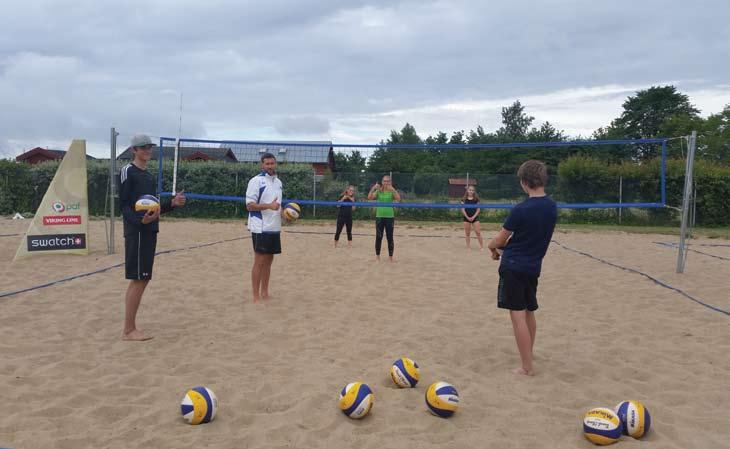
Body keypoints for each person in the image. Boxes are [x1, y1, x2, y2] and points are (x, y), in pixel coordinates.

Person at [487, 160, 557, 376]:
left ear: (524, 182)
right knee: (528, 312)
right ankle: (529, 354)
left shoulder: (520, 209)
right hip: (533, 266)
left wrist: (492, 247)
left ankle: (526, 367)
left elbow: (499, 239)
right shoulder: (551, 206)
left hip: (513, 266)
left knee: (517, 315)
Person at [119, 134, 186, 341]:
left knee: (144, 278)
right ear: (134, 150)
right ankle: (128, 330)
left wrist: (172, 204)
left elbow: (153, 208)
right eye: (143, 147)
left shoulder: (148, 175)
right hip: (137, 232)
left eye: (149, 147)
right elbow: (123, 206)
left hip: (149, 230)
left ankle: (130, 328)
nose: (147, 150)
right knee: (138, 279)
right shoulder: (127, 171)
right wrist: (140, 222)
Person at [245, 152, 284, 302]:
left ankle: (265, 293)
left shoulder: (278, 182)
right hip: (260, 227)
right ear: (262, 165)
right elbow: (249, 206)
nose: (269, 166)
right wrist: (269, 206)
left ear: (275, 164)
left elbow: (277, 205)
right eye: (267, 164)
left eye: (272, 163)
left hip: (274, 226)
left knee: (269, 261)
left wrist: (283, 214)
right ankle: (255, 296)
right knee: (259, 261)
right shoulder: (256, 181)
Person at [367, 175, 401, 262]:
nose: (386, 183)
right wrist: (373, 188)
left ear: (390, 182)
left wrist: (393, 189)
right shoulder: (379, 191)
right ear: (382, 182)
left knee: (390, 237)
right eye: (384, 181)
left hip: (390, 217)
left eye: (387, 181)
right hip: (379, 216)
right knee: (379, 237)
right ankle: (377, 257)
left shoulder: (391, 191)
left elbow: (398, 199)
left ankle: (390, 257)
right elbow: (369, 197)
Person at [460, 185, 484, 250]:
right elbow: (462, 209)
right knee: (467, 233)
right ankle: (468, 247)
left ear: (474, 191)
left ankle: (481, 246)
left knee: (478, 232)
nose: (471, 191)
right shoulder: (463, 199)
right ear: (467, 191)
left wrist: (473, 217)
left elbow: (478, 209)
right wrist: (467, 217)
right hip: (466, 218)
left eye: (472, 190)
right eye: (470, 190)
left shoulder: (476, 199)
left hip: (475, 218)